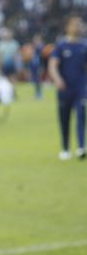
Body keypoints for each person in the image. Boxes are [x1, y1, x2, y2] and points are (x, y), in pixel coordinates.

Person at [48, 15, 87, 160]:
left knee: (82, 116)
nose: (78, 27)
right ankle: (65, 148)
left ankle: (81, 147)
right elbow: (52, 64)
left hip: (80, 89)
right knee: (64, 119)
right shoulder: (61, 46)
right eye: (75, 24)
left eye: (80, 24)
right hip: (64, 90)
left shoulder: (84, 46)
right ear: (68, 27)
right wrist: (57, 79)